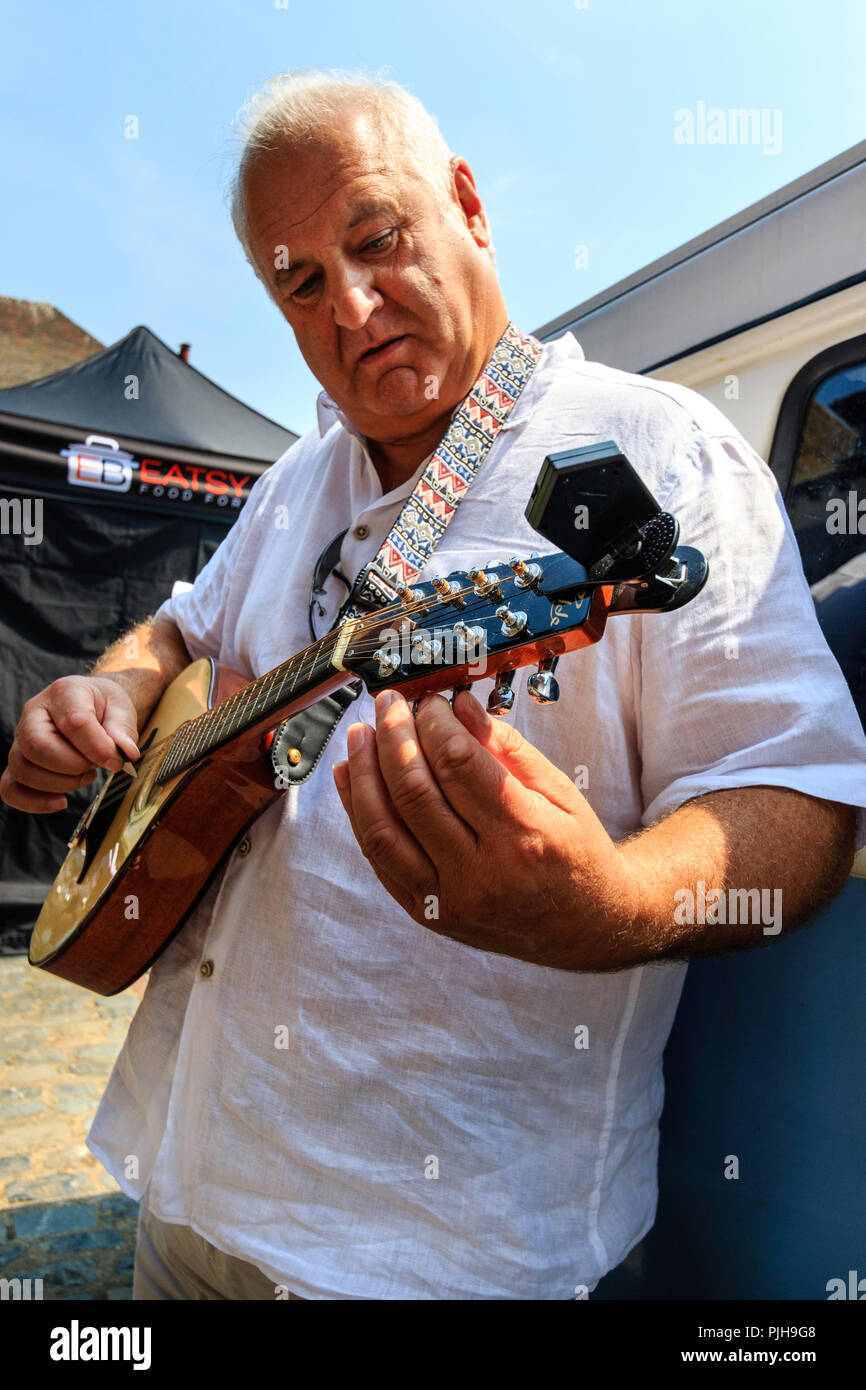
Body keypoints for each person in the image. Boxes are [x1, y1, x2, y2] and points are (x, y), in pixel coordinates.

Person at [3, 69, 866, 1301]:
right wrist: (109, 685)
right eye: (299, 280)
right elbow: (178, 634)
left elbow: (801, 798)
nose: (349, 307)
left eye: (375, 239)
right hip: (190, 1182)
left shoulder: (656, 449)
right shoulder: (292, 485)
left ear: (464, 202)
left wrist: (611, 900)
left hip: (444, 1253)